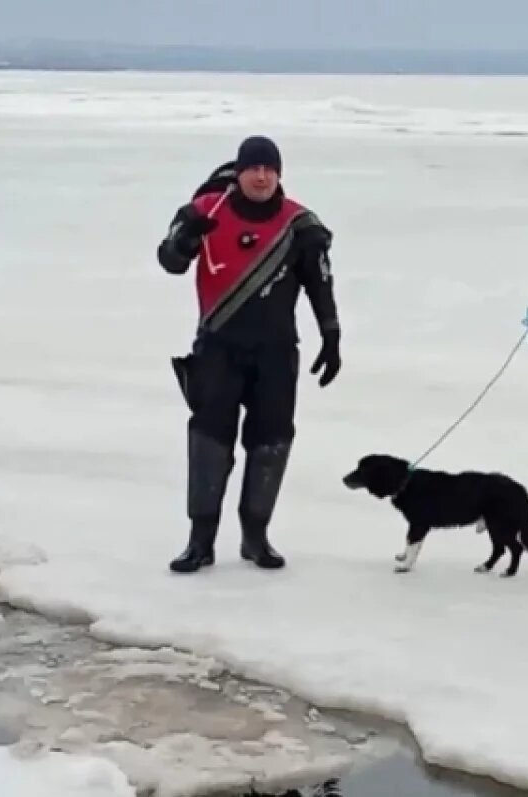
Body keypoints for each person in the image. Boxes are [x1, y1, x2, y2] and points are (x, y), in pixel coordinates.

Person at [156, 135, 342, 574]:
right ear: (238, 173)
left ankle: (255, 538)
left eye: (269, 169)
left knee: (271, 442)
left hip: (276, 354)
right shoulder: (204, 213)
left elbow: (320, 284)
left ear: (279, 174)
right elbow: (169, 262)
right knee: (208, 442)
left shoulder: (300, 225)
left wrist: (331, 336)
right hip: (218, 349)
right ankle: (199, 542)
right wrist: (185, 240)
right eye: (253, 168)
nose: (261, 176)